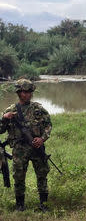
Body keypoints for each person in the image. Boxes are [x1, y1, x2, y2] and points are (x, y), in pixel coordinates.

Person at [0, 79, 52, 212]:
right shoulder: (11, 110)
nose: (28, 94)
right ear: (19, 92)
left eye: (30, 92)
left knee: (42, 174)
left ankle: (43, 204)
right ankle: (20, 205)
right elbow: (1, 130)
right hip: (19, 149)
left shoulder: (38, 109)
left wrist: (42, 139)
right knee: (18, 176)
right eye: (25, 92)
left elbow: (48, 126)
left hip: (36, 148)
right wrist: (4, 118)